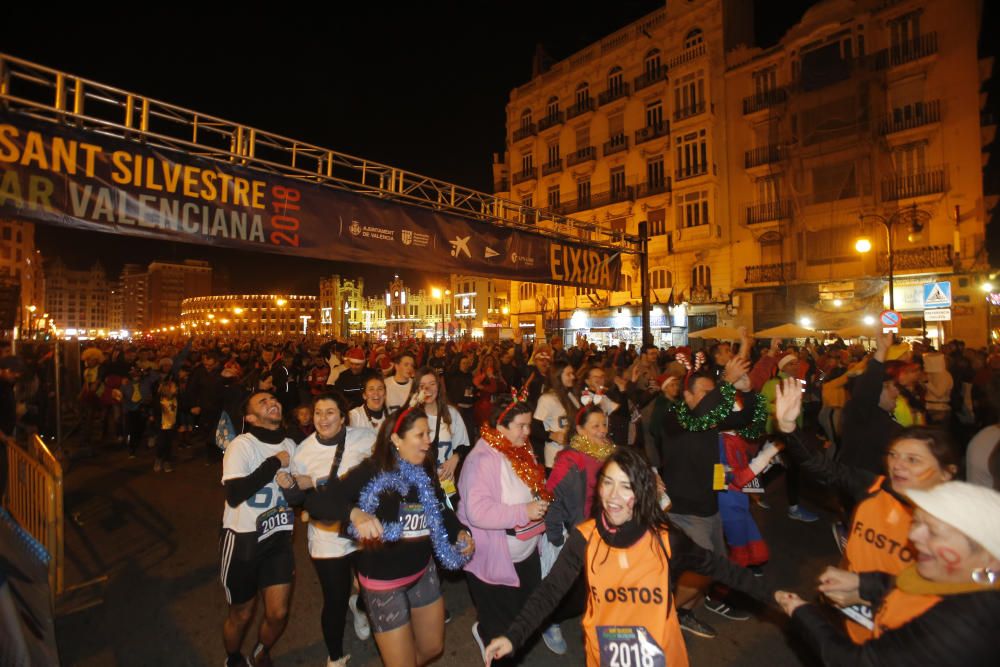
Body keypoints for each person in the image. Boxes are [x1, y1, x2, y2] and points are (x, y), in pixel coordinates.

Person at [483, 447, 772, 666]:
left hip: (660, 655)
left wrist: (775, 597)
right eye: (608, 483)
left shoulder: (666, 540)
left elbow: (720, 567)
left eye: (626, 486)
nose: (613, 496)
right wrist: (513, 635)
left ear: (642, 490)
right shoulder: (585, 538)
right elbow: (550, 590)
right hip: (605, 655)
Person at [773, 376, 960, 642]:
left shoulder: (960, 526)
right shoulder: (875, 487)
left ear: (946, 473)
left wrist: (867, 590)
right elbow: (821, 466)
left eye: (913, 459)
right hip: (851, 625)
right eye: (893, 455)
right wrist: (789, 427)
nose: (898, 465)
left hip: (907, 641)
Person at [302, 406, 474, 667]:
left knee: (433, 648)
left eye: (428, 433)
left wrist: (460, 530)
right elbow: (316, 503)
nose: (429, 440)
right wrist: (355, 513)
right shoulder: (371, 470)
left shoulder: (426, 466)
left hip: (423, 573)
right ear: (396, 439)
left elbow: (440, 508)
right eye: (421, 435)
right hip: (383, 583)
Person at [776, 481, 1000, 665]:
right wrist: (861, 583)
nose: (913, 536)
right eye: (917, 522)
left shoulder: (961, 628)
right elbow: (909, 584)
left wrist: (801, 611)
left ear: (989, 556)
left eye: (933, 531)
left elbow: (856, 662)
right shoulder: (968, 580)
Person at [277, 392, 376, 667]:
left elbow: (380, 474)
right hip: (326, 536)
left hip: (363, 531)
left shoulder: (365, 439)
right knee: (335, 598)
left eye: (330, 412)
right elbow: (302, 501)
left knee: (372, 590)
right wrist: (290, 486)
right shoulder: (304, 450)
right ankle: (334, 657)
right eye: (318, 413)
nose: (323, 419)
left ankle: (359, 608)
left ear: (343, 417)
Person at [458, 395, 555, 661]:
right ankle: (488, 635)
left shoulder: (520, 449)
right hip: (496, 560)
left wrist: (540, 496)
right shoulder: (481, 459)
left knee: (524, 615)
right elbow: (477, 512)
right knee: (501, 627)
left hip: (525, 552)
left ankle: (488, 630)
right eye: (521, 426)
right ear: (501, 425)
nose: (527, 432)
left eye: (528, 425)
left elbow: (530, 486)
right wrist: (523, 512)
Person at [219, 392, 297, 667]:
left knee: (278, 613)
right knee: (241, 614)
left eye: (273, 399)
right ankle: (233, 658)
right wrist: (275, 462)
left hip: (279, 539)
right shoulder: (242, 445)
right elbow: (235, 493)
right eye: (262, 402)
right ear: (250, 417)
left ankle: (260, 653)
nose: (272, 402)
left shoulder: (290, 444)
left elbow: (300, 493)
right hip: (244, 540)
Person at [410, 367, 470, 500]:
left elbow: (464, 445)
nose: (428, 389)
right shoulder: (411, 417)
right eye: (422, 386)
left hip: (446, 483)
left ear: (439, 386)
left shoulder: (451, 413)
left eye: (432, 384)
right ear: (416, 389)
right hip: (418, 485)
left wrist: (455, 458)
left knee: (449, 516)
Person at [532, 361, 579, 470]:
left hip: (573, 453)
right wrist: (551, 435)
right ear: (557, 376)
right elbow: (534, 427)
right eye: (568, 374)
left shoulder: (571, 396)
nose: (572, 377)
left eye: (573, 373)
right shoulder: (547, 399)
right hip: (554, 458)